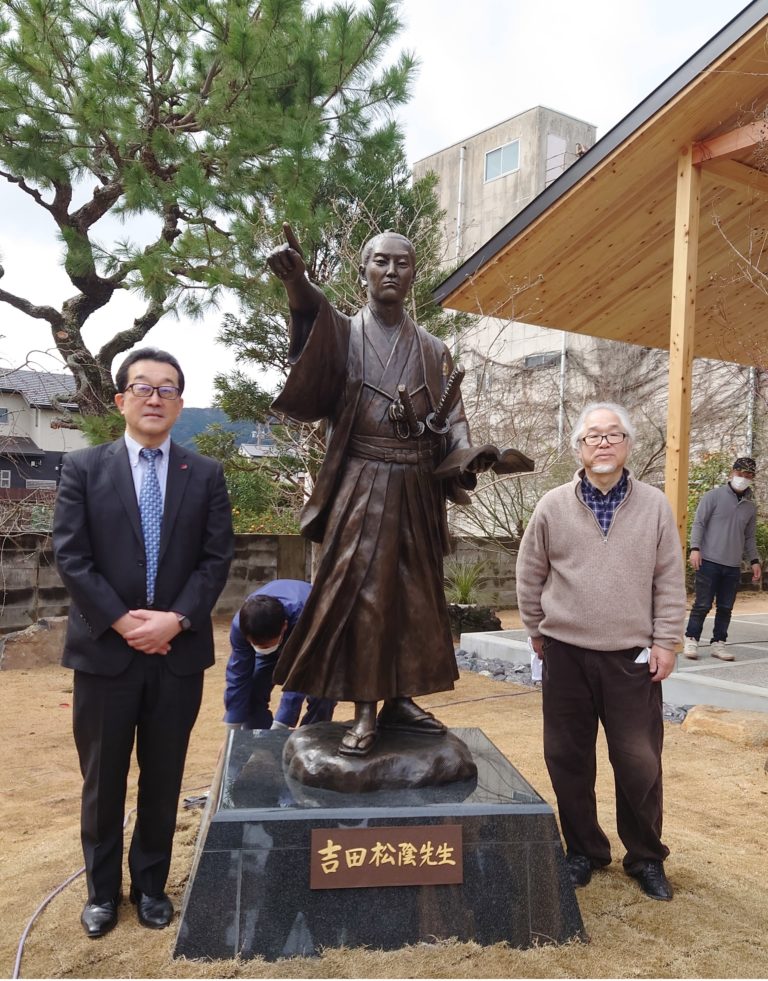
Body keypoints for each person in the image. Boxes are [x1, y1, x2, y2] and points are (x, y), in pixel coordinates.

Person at [266, 224, 503, 758]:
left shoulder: (433, 348)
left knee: (416, 599)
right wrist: (297, 282)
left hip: (417, 486)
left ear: (414, 274)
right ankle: (366, 708)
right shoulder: (345, 334)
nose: (391, 271)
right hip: (363, 481)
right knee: (366, 596)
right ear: (364, 271)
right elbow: (313, 318)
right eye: (380, 262)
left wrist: (471, 457)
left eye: (401, 263)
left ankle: (400, 699)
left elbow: (454, 424)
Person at [52, 347, 234, 939]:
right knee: (103, 780)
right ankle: (102, 894)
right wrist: (125, 622)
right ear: (121, 399)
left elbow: (215, 560)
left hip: (176, 657)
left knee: (164, 778)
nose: (155, 398)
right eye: (143, 387)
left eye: (167, 389)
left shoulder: (204, 474)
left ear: (180, 403)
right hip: (106, 656)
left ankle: (151, 886)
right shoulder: (83, 467)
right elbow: (71, 556)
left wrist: (175, 621)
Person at [516, 402, 686, 902]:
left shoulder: (655, 505)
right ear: (580, 449)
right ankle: (584, 852)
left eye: (615, 435)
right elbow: (530, 573)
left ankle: (646, 856)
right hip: (565, 652)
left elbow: (669, 580)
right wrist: (535, 629)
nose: (604, 442)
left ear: (629, 445)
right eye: (594, 436)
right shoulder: (551, 504)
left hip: (631, 656)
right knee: (567, 757)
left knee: (640, 761)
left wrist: (667, 641)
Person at [224, 580, 335, 730]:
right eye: (256, 645)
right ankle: (259, 742)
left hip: (318, 642)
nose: (261, 648)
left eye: (267, 645)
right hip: (283, 635)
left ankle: (312, 736)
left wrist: (280, 724)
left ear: (284, 626)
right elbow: (238, 675)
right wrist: (233, 730)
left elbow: (299, 674)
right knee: (254, 687)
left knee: (321, 693)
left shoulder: (306, 618)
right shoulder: (241, 625)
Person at [683, 456, 761, 661]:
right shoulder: (713, 496)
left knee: (726, 607)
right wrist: (695, 548)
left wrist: (754, 560)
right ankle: (691, 639)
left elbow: (750, 537)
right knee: (702, 604)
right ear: (731, 473)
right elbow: (698, 523)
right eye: (739, 473)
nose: (742, 478)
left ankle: (719, 643)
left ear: (752, 478)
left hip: (732, 565)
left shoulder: (750, 508)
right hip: (708, 560)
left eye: (747, 475)